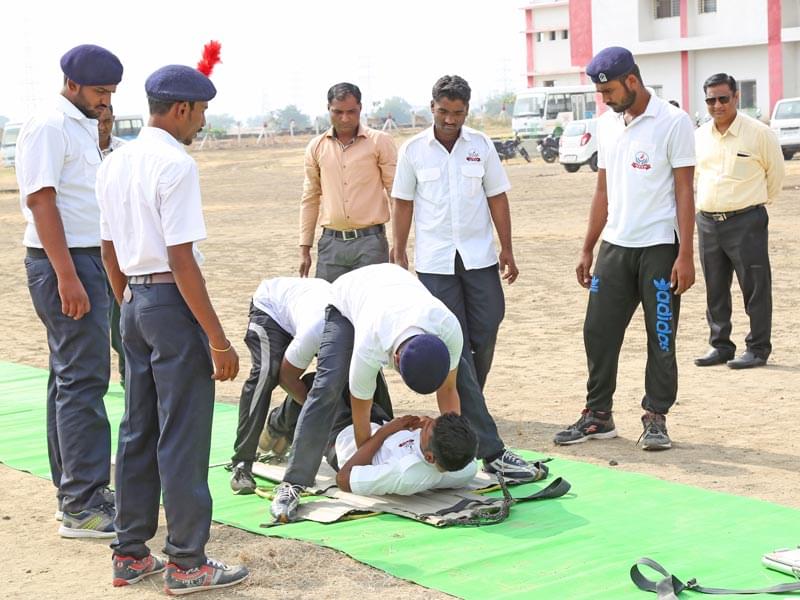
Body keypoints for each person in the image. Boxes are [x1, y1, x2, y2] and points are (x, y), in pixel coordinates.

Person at [96, 64, 248, 592]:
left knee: (138, 428)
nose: (202, 123)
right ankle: (186, 561)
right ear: (182, 109)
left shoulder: (115, 161)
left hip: (132, 301)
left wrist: (129, 301)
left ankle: (130, 553)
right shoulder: (176, 165)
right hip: (168, 303)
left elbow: (108, 250)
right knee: (182, 433)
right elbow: (182, 259)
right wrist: (219, 341)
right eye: (201, 112)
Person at [270, 263, 544, 523]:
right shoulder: (370, 343)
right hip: (349, 296)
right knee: (328, 385)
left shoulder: (447, 327)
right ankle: (294, 482)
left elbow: (448, 388)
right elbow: (360, 406)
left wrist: (449, 434)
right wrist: (369, 450)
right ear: (396, 361)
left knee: (463, 376)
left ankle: (494, 454)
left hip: (397, 288)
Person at [553, 46, 696, 451]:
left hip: (659, 248)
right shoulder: (607, 124)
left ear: (632, 80)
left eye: (609, 91)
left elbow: (685, 191)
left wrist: (686, 254)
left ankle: (656, 417)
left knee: (661, 336)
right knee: (597, 331)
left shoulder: (674, 121)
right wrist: (588, 248)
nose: (605, 99)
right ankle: (598, 415)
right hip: (615, 246)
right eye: (600, 93)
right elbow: (603, 190)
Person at [16, 44, 122, 538]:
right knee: (84, 382)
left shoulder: (82, 124)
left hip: (85, 259)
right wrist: (67, 276)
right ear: (72, 84)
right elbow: (42, 202)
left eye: (111, 93)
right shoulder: (49, 125)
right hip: (65, 262)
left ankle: (74, 494)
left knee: (69, 380)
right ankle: (83, 506)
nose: (106, 101)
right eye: (99, 91)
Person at [391, 74, 518, 392]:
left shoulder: (481, 145)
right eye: (443, 112)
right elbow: (402, 203)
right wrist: (399, 249)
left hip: (479, 257)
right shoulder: (413, 150)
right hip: (435, 262)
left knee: (488, 324)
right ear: (432, 107)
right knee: (451, 335)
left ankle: (472, 396)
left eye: (458, 113)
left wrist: (507, 248)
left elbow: (497, 197)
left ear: (467, 110)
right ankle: (469, 408)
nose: (450, 120)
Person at [693, 73, 784, 370]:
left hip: (746, 221)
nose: (717, 105)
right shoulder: (699, 136)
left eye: (723, 98)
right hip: (708, 222)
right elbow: (697, 176)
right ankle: (720, 345)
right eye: (711, 100)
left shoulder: (759, 133)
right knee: (715, 287)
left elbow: (775, 176)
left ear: (736, 97)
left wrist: (752, 205)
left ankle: (757, 348)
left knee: (755, 287)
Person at [228, 276, 333, 495]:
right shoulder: (314, 330)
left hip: (304, 311)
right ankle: (242, 462)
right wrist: (317, 414)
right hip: (271, 309)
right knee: (267, 372)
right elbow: (287, 378)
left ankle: (279, 423)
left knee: (333, 379)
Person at [299, 82, 397, 282]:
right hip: (331, 245)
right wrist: (304, 249)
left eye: (351, 112)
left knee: (370, 299)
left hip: (371, 244)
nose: (345, 118)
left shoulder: (380, 142)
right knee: (328, 300)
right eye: (338, 112)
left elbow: (395, 194)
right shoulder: (316, 147)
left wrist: (398, 244)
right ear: (328, 108)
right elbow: (310, 198)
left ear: (360, 108)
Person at [335, 413, 478, 496]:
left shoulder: (403, 471)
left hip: (345, 437)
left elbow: (343, 479)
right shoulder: (467, 467)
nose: (428, 422)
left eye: (427, 428)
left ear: (429, 457)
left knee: (335, 385)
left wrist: (384, 432)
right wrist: (421, 425)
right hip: (382, 422)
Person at [97, 105, 126, 388]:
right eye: (97, 121)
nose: (102, 127)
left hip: (120, 248)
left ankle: (129, 376)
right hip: (89, 248)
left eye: (107, 121)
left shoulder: (125, 154)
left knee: (122, 314)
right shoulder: (80, 152)